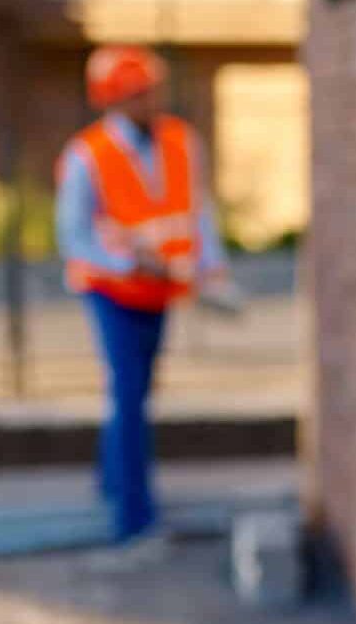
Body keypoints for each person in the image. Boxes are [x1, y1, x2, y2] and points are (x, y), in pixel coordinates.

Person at [55, 45, 232, 545]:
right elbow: (74, 236)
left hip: (160, 291)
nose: (151, 99)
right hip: (111, 292)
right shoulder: (87, 155)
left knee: (133, 393)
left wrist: (212, 266)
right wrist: (127, 261)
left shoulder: (180, 140)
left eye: (152, 89)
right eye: (140, 92)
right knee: (129, 395)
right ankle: (133, 516)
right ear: (115, 99)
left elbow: (198, 210)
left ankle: (112, 484)